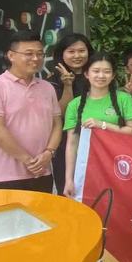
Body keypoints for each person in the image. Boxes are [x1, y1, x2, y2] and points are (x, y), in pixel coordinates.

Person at [63, 53, 132, 198]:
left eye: (107, 71)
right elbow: (72, 144)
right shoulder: (74, 105)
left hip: (118, 166)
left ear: (113, 75)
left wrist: (102, 125)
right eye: (96, 71)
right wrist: (69, 179)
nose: (101, 76)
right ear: (86, 74)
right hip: (86, 169)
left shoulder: (124, 99)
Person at [0, 31, 62, 192]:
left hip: (42, 173)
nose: (36, 58)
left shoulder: (47, 88)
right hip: (4, 176)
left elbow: (57, 124)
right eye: (29, 54)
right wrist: (27, 160)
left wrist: (49, 153)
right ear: (11, 55)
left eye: (40, 54)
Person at [47, 33, 93, 193]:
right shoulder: (52, 80)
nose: (77, 56)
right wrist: (67, 85)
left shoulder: (97, 76)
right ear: (62, 54)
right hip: (66, 142)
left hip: (94, 140)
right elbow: (61, 113)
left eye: (81, 51)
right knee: (68, 189)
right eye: (71, 51)